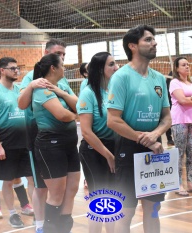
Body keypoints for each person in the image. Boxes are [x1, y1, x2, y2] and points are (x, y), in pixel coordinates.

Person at [107, 25, 172, 233]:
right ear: (132, 46)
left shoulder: (159, 79)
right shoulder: (121, 77)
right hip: (128, 147)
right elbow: (113, 120)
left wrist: (155, 135)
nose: (154, 43)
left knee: (153, 210)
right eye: (148, 40)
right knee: (126, 212)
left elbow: (167, 117)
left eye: (154, 39)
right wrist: (143, 139)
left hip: (155, 149)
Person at [18, 38, 69, 233]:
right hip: (39, 136)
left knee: (61, 188)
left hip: (63, 138)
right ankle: (40, 225)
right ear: (46, 52)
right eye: (58, 53)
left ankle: (58, 223)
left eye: (63, 54)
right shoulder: (32, 76)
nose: (61, 57)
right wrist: (31, 86)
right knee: (39, 185)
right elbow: (21, 104)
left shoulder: (62, 79)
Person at [32, 53, 80, 233]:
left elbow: (79, 104)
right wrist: (78, 115)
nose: (65, 68)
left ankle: (64, 228)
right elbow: (63, 114)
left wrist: (61, 92)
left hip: (69, 143)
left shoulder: (61, 86)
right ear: (53, 68)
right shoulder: (41, 89)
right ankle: (50, 228)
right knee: (57, 194)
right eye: (62, 64)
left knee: (72, 189)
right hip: (50, 144)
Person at [0, 57, 34, 228]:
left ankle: (34, 209)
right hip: (7, 144)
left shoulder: (21, 89)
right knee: (7, 181)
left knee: (32, 179)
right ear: (2, 70)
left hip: (26, 143)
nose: (16, 71)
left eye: (17, 68)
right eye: (12, 68)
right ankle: (13, 214)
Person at [77, 52, 118, 233]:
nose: (116, 67)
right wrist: (108, 155)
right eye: (111, 64)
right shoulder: (88, 93)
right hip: (94, 150)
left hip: (115, 147)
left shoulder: (114, 90)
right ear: (101, 69)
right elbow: (86, 132)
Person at [169, 57, 192, 196]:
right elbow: (182, 100)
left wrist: (191, 99)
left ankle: (190, 183)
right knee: (179, 153)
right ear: (177, 68)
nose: (187, 67)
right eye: (183, 65)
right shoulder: (174, 82)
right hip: (179, 120)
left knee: (191, 153)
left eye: (188, 64)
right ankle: (177, 184)